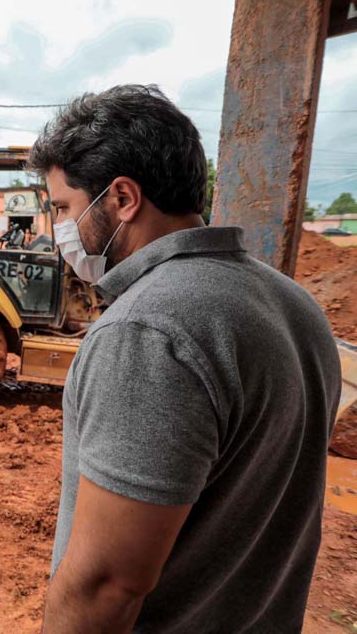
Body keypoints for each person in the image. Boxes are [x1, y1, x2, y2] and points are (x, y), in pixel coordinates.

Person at [29, 84, 340, 633]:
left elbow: (106, 584)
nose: (56, 230)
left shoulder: (146, 331)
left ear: (122, 199)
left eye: (63, 208)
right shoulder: (295, 303)